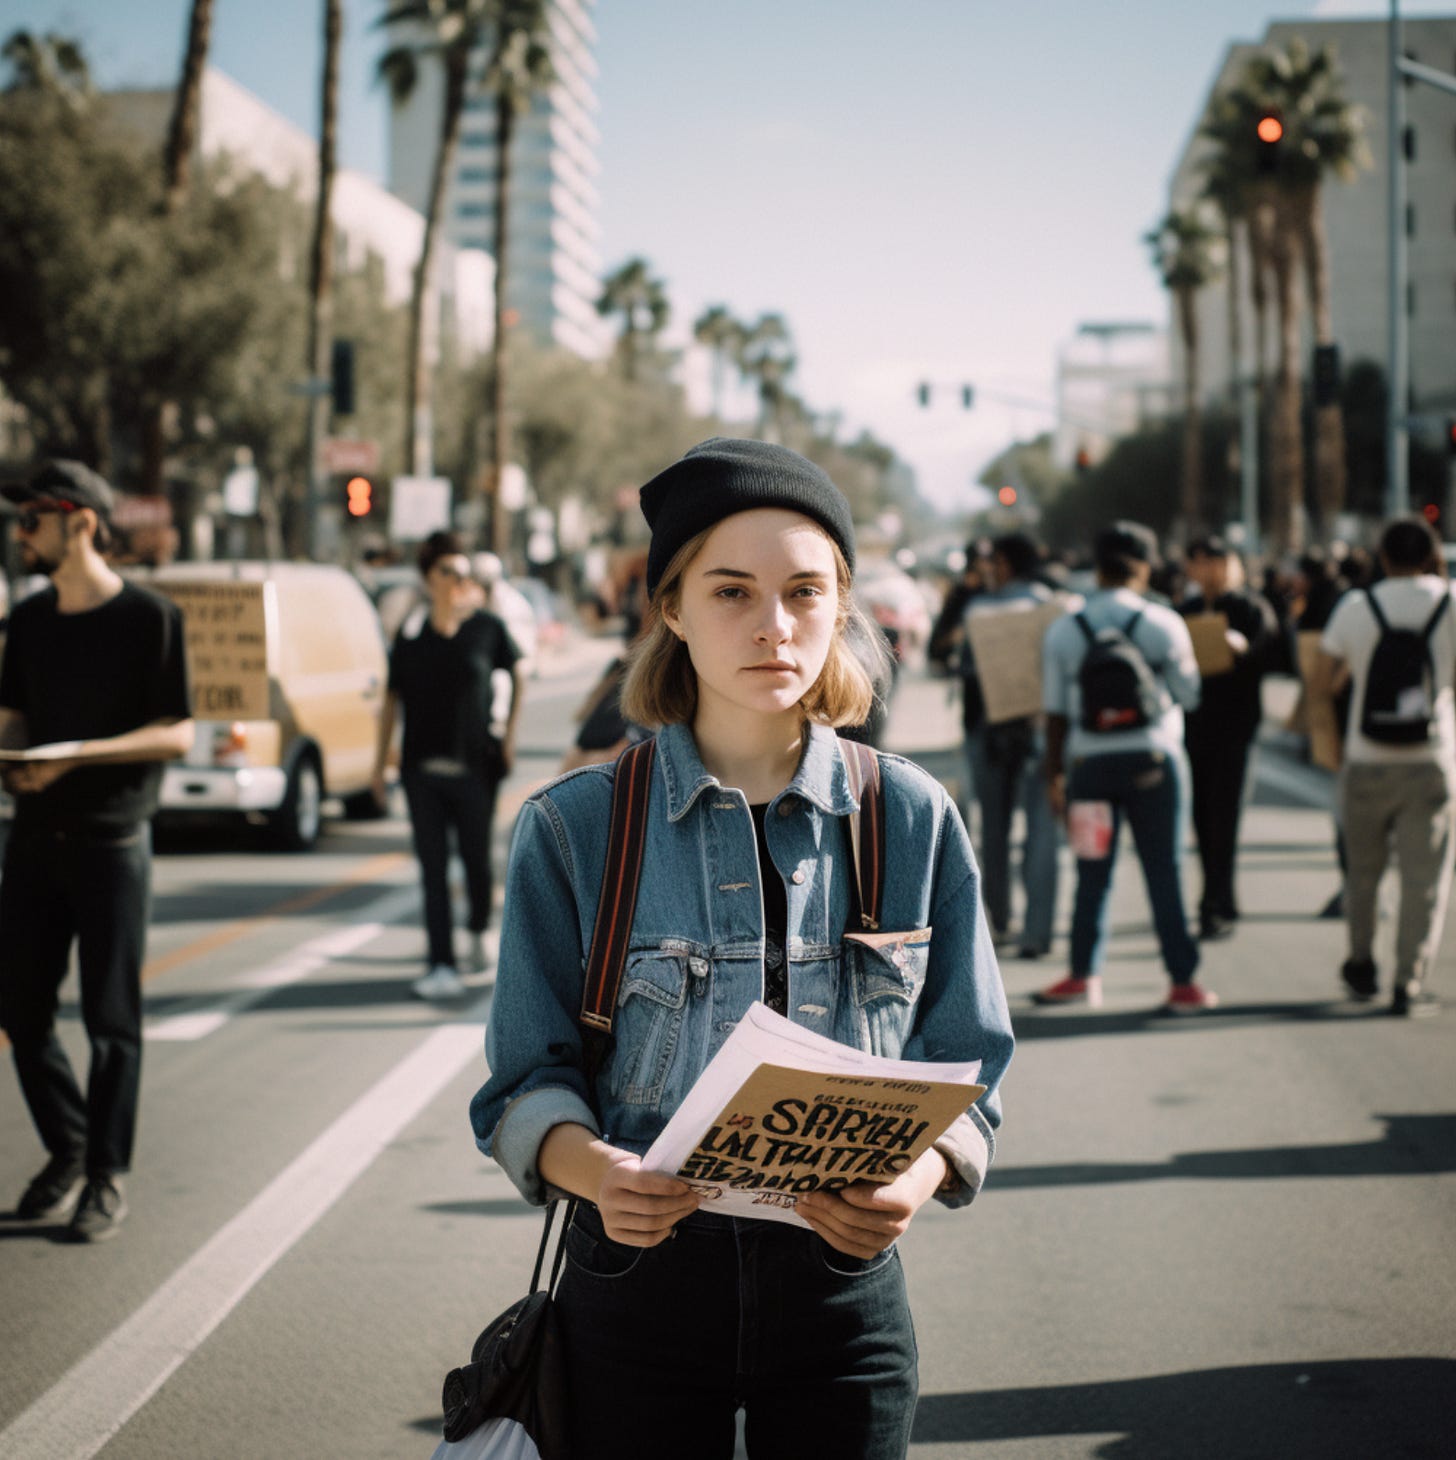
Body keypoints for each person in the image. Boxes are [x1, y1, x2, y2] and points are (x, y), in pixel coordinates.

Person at [469, 438, 1014, 1459]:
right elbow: (523, 1082)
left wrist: (921, 1175)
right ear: (671, 608)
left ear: (839, 604)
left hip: (843, 1293)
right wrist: (593, 1168)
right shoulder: (574, 828)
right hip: (636, 1287)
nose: (774, 625)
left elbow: (970, 1061)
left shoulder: (910, 813)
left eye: (805, 591)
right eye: (731, 591)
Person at [0, 460, 193, 1240]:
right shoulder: (30, 620)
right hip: (33, 839)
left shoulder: (151, 618)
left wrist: (76, 757)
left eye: (31, 519)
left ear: (80, 520)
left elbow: (177, 732)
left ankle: (105, 1175)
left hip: (113, 843)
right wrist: (15, 758)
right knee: (19, 1009)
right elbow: (11, 716)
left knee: (112, 1021)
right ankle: (68, 1145)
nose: (19, 535)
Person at [1036, 520, 1215, 1013]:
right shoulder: (1163, 623)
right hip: (1155, 762)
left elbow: (1053, 712)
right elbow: (1190, 695)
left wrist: (1055, 776)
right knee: (1165, 870)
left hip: (1089, 765)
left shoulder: (1065, 629)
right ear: (1145, 566)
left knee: (1092, 872)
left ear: (1098, 567)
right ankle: (1183, 982)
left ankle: (1082, 975)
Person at [372, 532, 524, 1001]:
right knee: (432, 868)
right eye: (449, 572)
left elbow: (517, 673)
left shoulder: (486, 628)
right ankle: (440, 962)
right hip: (421, 771)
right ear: (427, 579)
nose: (460, 580)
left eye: (465, 573)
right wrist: (381, 765)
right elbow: (391, 700)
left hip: (476, 768)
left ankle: (478, 926)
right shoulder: (411, 636)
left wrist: (510, 736)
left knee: (477, 860)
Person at [1316, 516, 1456, 1017]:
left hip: (1366, 758)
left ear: (1383, 556)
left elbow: (1322, 677)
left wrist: (1329, 740)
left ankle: (1360, 961)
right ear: (1432, 554)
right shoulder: (1451, 601)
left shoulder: (1357, 606)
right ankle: (1408, 981)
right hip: (1431, 762)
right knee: (1424, 880)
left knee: (1363, 872)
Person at [961, 532, 1065, 957]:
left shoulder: (980, 608)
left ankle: (999, 921)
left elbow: (967, 667)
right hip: (1042, 732)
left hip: (989, 732)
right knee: (1042, 834)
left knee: (995, 830)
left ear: (1003, 563)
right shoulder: (1053, 607)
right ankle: (1037, 933)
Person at [1178, 535, 1281, 940]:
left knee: (1226, 813)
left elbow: (1275, 653)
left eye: (1211, 560)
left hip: (1236, 725)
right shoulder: (1183, 610)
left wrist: (1243, 649)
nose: (1203, 568)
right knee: (1201, 815)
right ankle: (1215, 894)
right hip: (1194, 724)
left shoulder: (1250, 607)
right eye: (1196, 559)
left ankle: (1218, 900)